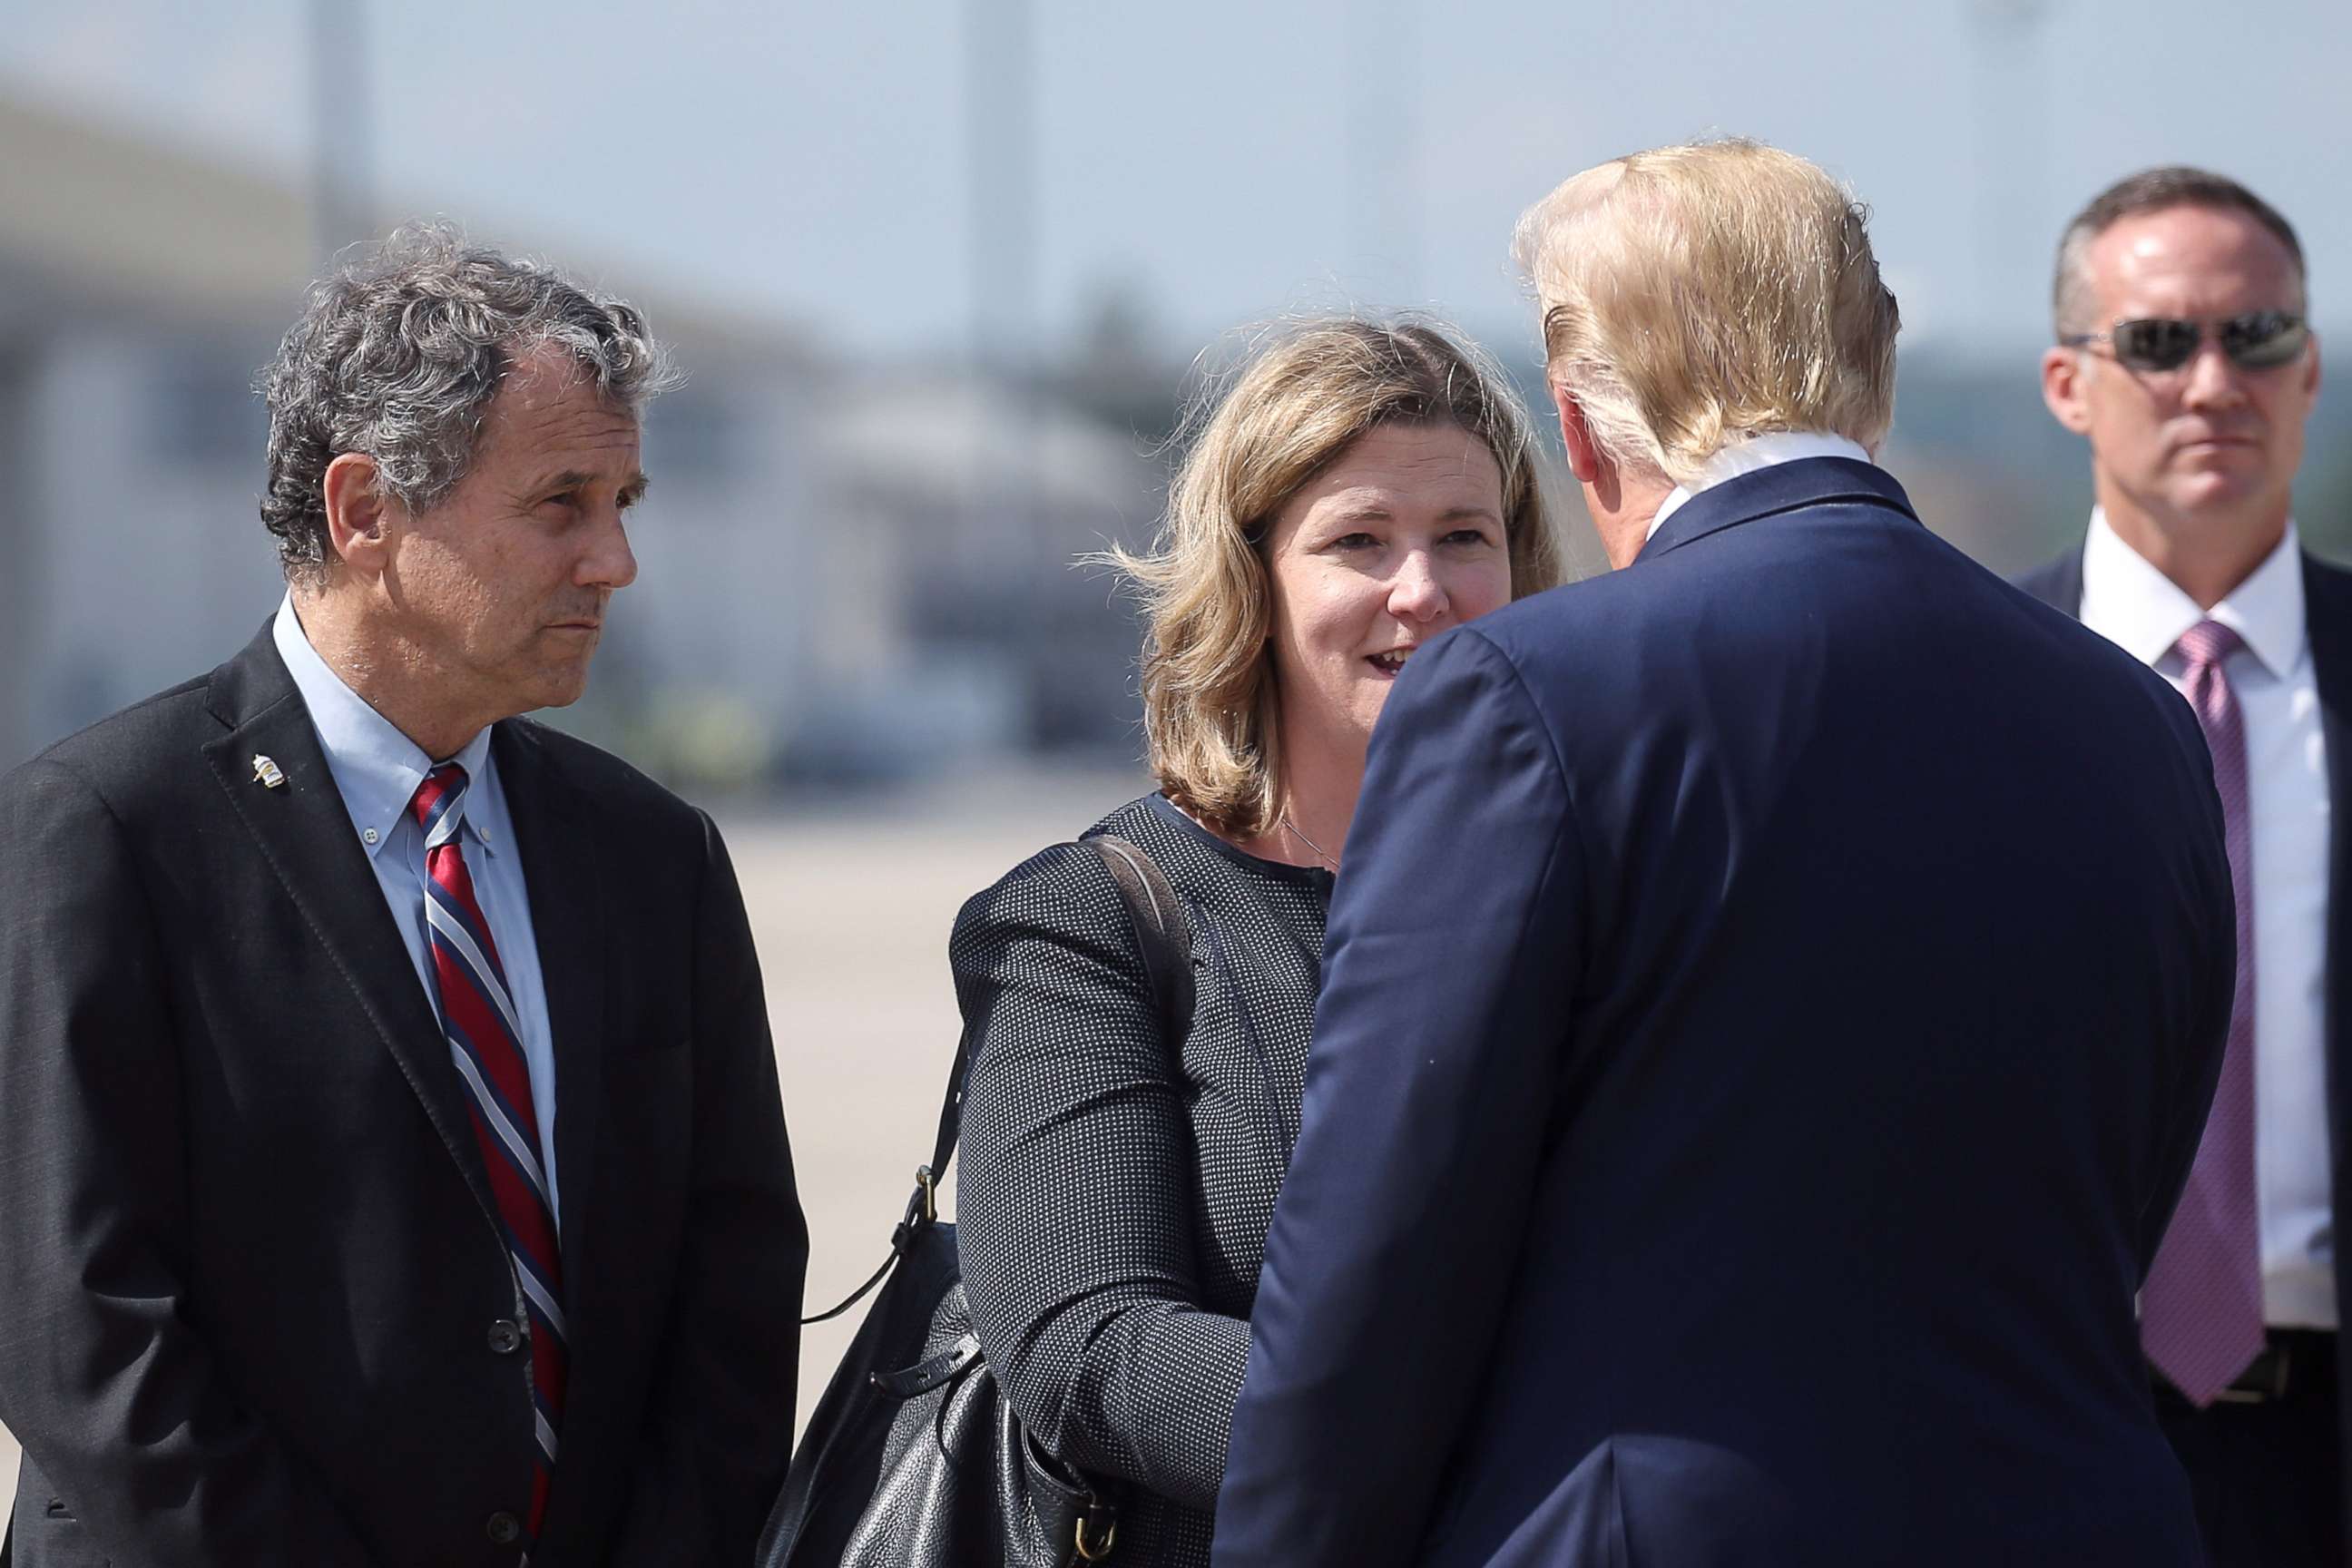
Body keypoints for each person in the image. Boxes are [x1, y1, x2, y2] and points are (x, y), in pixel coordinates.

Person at [1212, 140, 2235, 1568]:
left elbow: (1379, 1265)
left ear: (1578, 429)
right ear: (1873, 375)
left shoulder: (1522, 696)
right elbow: (2131, 1193)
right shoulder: (2141, 719)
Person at [0, 226, 806, 1567]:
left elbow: (733, 1297)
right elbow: (79, 1331)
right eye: (562, 503)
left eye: (625, 503)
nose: (614, 562)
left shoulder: (654, 858)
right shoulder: (103, 833)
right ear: (365, 511)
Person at [948, 318, 1565, 1565]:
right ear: (1253, 580)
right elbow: (1086, 1342)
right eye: (1358, 542)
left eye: (1465, 539)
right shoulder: (1096, 919)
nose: (1423, 591)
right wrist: (1455, 1430)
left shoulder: (1586, 898)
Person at [2019, 166, 2341, 1566]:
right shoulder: (1970, 693)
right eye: (2158, 341)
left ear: (2310, 368)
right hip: (2050, 1417)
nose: (2215, 381)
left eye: (2256, 337)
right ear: (2067, 384)